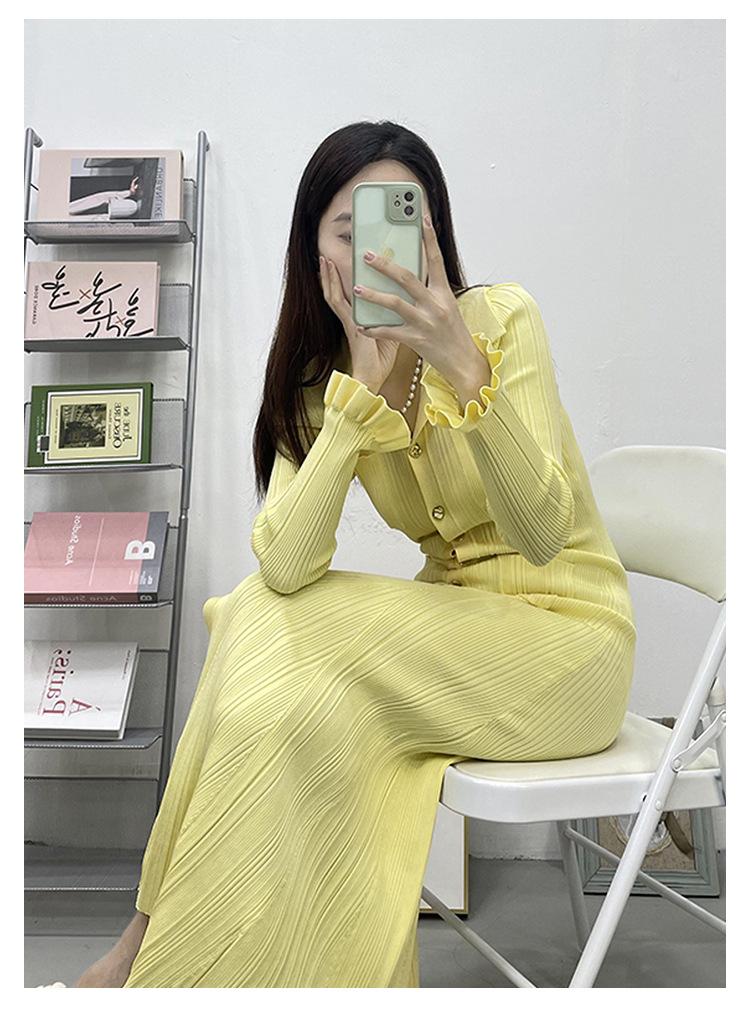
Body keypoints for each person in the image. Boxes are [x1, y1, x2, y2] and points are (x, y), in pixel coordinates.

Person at [68, 120, 636, 988]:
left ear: (433, 231)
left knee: (252, 615)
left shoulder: (501, 320)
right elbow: (287, 566)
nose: (377, 251)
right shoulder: (322, 381)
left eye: (399, 220)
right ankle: (198, 955)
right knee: (259, 610)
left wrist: (463, 367)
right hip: (457, 644)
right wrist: (358, 399)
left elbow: (541, 534)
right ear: (316, 252)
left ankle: (145, 952)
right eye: (349, 230)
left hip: (573, 649)